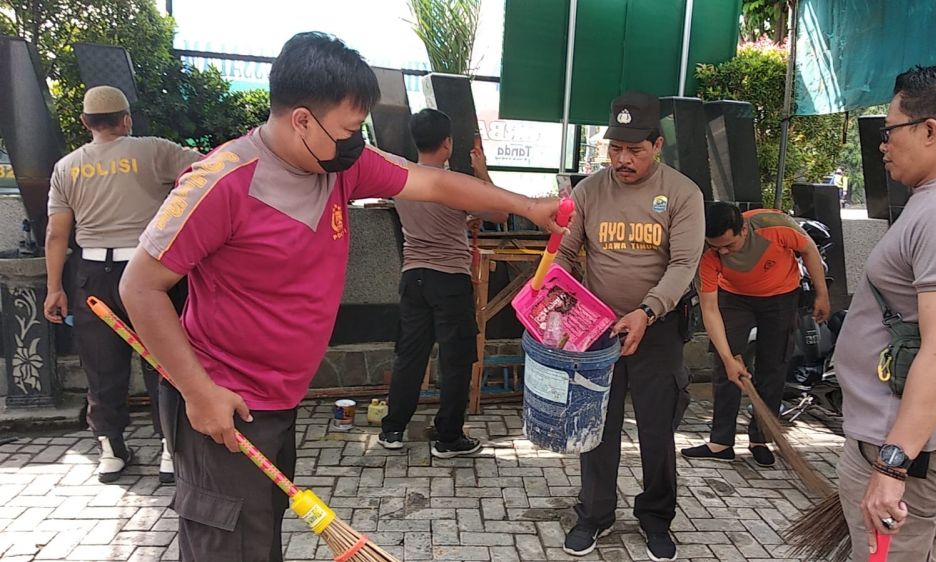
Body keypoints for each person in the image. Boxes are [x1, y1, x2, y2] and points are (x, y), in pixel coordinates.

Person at [119, 32, 563, 562]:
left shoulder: (338, 166)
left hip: (279, 402)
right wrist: (197, 392)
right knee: (229, 546)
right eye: (350, 130)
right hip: (226, 402)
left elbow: (435, 184)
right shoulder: (221, 183)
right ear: (302, 119)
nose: (357, 143)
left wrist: (531, 206)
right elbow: (139, 286)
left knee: (258, 539)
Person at [834, 64, 936, 561]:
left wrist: (890, 467)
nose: (882, 144)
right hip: (920, 442)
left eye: (890, 130)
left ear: (930, 130)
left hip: (912, 450)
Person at [555, 91, 704, 561]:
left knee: (657, 431)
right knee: (595, 427)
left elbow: (683, 264)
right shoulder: (589, 191)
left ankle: (656, 517)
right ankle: (594, 515)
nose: (623, 159)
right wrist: (557, 297)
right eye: (615, 148)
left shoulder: (682, 193)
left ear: (657, 145)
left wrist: (647, 310)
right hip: (596, 332)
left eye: (635, 149)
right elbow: (564, 252)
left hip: (656, 329)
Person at [43, 85, 201, 484]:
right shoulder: (154, 150)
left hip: (91, 276)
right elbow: (209, 170)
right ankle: (170, 450)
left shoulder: (66, 167)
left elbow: (56, 234)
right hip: (149, 273)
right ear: (126, 119)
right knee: (164, 360)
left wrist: (54, 288)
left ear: (85, 123)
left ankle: (111, 451)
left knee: (102, 367)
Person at [378, 108, 507, 457]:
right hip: (450, 280)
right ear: (447, 143)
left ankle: (393, 430)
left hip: (413, 277)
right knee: (456, 361)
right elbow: (499, 213)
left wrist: (457, 224)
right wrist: (481, 172)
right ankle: (448, 438)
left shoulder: (402, 179)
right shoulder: (455, 185)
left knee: (410, 356)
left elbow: (429, 219)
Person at [681, 202, 829, 466]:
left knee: (773, 365)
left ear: (744, 231)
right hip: (733, 298)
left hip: (781, 296)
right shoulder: (706, 253)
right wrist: (728, 358)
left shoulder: (775, 226)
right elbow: (710, 309)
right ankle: (721, 442)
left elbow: (808, 250)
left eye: (729, 245)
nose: (723, 252)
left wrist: (822, 294)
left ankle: (760, 439)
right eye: (717, 247)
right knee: (725, 365)